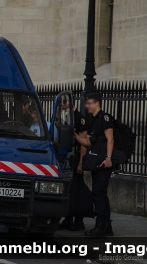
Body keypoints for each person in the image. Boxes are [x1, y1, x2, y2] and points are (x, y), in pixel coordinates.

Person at [75, 91, 114, 238]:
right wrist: (75, 135)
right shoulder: (93, 120)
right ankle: (107, 227)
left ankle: (101, 226)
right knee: (99, 193)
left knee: (98, 194)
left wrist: (109, 158)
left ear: (97, 103)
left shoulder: (104, 118)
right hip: (97, 162)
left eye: (89, 103)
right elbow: (88, 142)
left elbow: (110, 139)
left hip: (104, 162)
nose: (87, 106)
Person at [59, 100, 88, 231]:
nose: (61, 107)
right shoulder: (65, 116)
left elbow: (84, 142)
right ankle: (68, 218)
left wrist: (81, 162)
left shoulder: (79, 118)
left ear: (69, 104)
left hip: (75, 157)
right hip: (67, 158)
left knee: (77, 189)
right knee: (68, 189)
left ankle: (78, 220)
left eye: (62, 104)